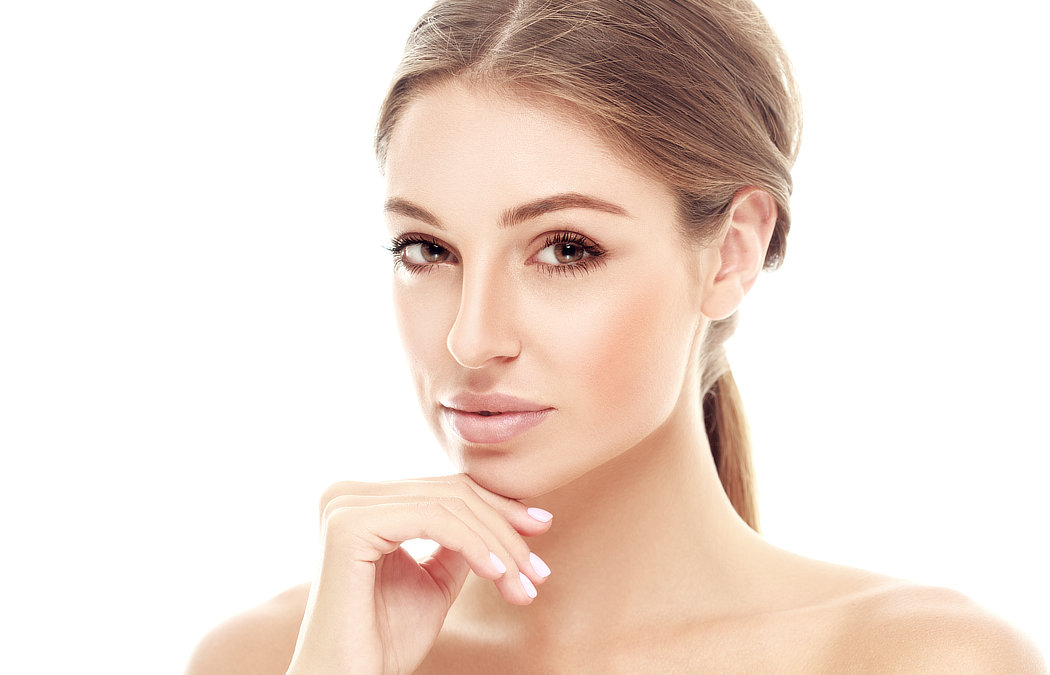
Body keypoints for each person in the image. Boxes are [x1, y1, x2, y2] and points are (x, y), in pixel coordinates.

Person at [187, 0, 1045, 672]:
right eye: (428, 249)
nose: (471, 337)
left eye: (566, 249)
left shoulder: (920, 662)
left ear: (731, 251)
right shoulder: (269, 660)